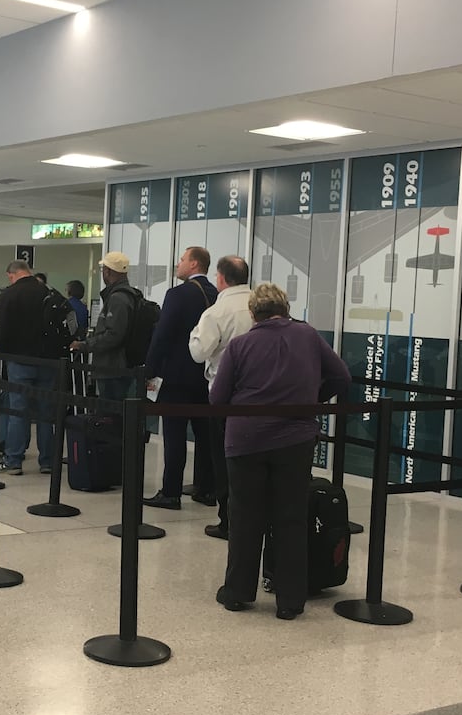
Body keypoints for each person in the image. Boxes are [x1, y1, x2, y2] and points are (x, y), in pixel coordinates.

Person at [208, 283, 350, 620]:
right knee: (291, 518)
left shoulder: (240, 345)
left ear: (253, 313)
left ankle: (238, 593)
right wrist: (313, 399)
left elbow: (217, 399)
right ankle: (290, 600)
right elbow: (341, 377)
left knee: (245, 517)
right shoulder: (309, 337)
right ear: (285, 309)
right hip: (296, 439)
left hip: (246, 441)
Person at [142, 246, 217, 511]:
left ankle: (171, 492)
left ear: (194, 264)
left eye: (183, 259)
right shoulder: (214, 293)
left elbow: (162, 334)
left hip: (176, 376)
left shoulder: (177, 294)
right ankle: (206, 488)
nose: (179, 263)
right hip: (205, 377)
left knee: (174, 436)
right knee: (204, 434)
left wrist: (149, 369)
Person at [188, 255, 253, 539]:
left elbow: (199, 352)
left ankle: (228, 520)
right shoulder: (260, 305)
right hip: (259, 397)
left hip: (224, 395)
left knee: (225, 457)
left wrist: (194, 335)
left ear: (222, 278)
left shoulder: (217, 311)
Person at [0, 259, 58, 475]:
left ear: (11, 274)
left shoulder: (8, 295)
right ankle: (47, 461)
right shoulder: (49, 292)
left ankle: (14, 461)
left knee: (17, 411)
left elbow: (0, 331)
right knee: (46, 413)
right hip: (48, 361)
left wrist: (3, 350)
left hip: (19, 360)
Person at [70, 251, 138, 402]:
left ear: (108, 271)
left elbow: (114, 335)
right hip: (118, 367)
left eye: (103, 270)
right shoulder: (127, 295)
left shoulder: (118, 298)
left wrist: (85, 345)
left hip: (112, 369)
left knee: (110, 415)